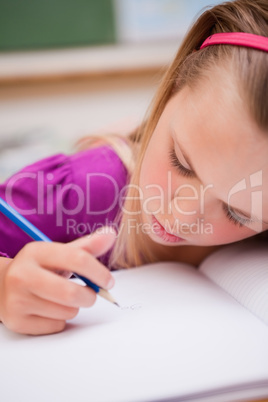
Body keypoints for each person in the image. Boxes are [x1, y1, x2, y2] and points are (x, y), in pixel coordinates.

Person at [0, 0, 267, 335]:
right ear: (172, 87)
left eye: (238, 213)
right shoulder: (77, 190)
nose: (181, 216)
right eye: (181, 162)